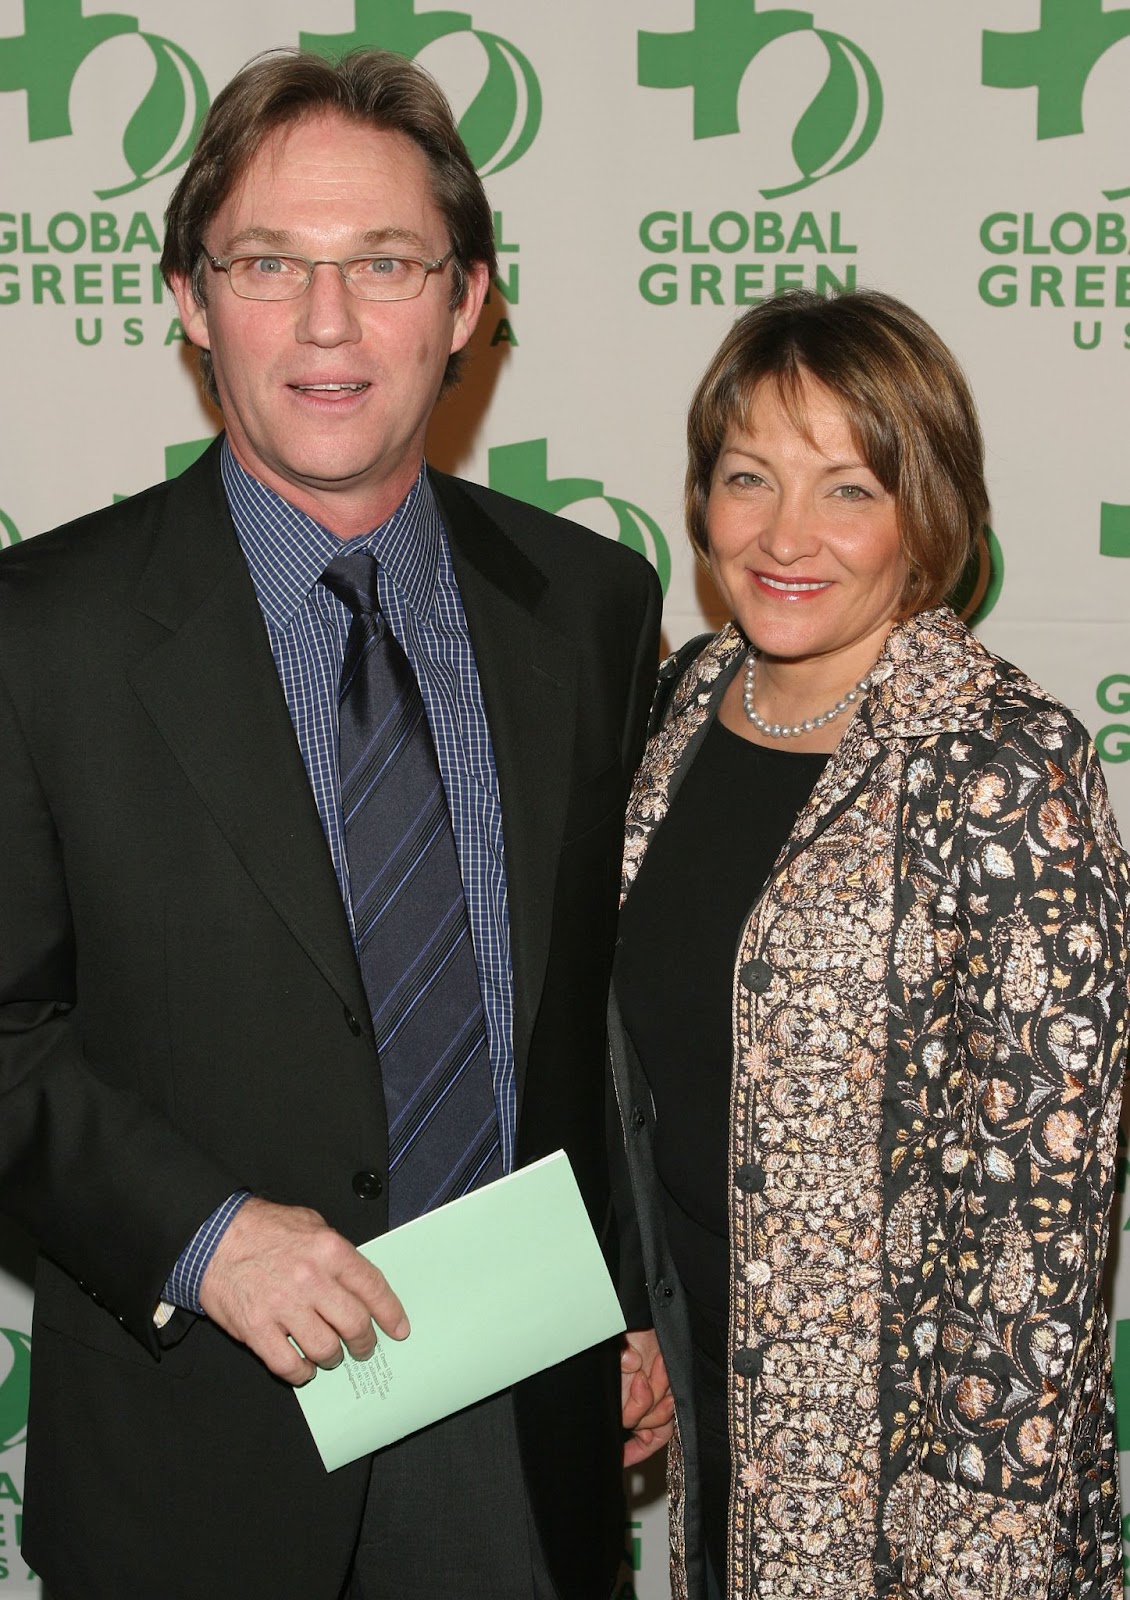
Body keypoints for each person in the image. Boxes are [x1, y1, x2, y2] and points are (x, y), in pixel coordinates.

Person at [0, 47, 669, 1600]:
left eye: (382, 263)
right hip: (204, 1455)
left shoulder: (586, 606)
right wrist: (206, 1234)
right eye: (266, 264)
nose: (324, 324)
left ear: (465, 301)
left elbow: (592, 1007)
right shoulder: (44, 636)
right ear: (187, 298)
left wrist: (627, 1292)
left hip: (528, 1432)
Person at [611, 289, 1129, 1599]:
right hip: (716, 1431)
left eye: (846, 488)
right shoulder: (676, 712)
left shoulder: (1003, 763)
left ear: (927, 512)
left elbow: (1038, 1231)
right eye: (746, 478)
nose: (784, 537)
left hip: (915, 1496)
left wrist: (969, 1561)